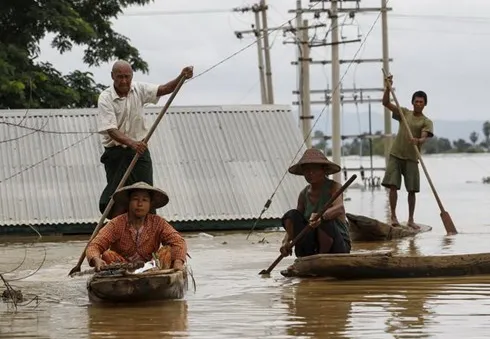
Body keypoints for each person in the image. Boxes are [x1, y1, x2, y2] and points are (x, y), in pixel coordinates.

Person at [96, 60, 194, 219]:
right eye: (119, 77)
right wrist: (132, 143)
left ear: (131, 76)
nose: (123, 81)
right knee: (118, 196)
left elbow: (165, 89)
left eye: (127, 77)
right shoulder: (105, 98)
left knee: (145, 192)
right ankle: (117, 232)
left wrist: (181, 76)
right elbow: (111, 130)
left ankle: (148, 233)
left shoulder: (139, 89)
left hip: (139, 152)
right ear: (112, 76)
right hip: (116, 153)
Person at [85, 181, 188, 272]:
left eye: (144, 200)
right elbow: (95, 245)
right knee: (107, 255)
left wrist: (178, 263)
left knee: (167, 252)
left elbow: (178, 241)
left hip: (151, 268)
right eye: (135, 199)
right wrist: (96, 259)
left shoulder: (158, 222)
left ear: (150, 204)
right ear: (129, 203)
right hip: (122, 268)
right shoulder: (116, 223)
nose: (139, 204)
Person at [381, 75, 434, 229]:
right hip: (396, 154)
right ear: (412, 103)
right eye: (416, 101)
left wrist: (419, 141)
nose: (418, 104)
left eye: (421, 102)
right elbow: (385, 103)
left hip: (412, 158)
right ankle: (393, 217)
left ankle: (411, 219)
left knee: (412, 190)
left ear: (424, 104)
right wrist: (387, 88)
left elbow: (425, 136)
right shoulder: (404, 113)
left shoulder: (426, 121)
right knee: (393, 186)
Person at [279, 148, 351, 260]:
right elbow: (296, 222)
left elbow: (339, 208)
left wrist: (321, 217)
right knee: (292, 215)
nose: (310, 174)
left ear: (323, 170)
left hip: (337, 245)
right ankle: (308, 258)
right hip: (312, 247)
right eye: (307, 170)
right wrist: (286, 241)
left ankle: (320, 258)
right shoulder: (303, 194)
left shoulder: (334, 187)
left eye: (314, 170)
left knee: (325, 220)